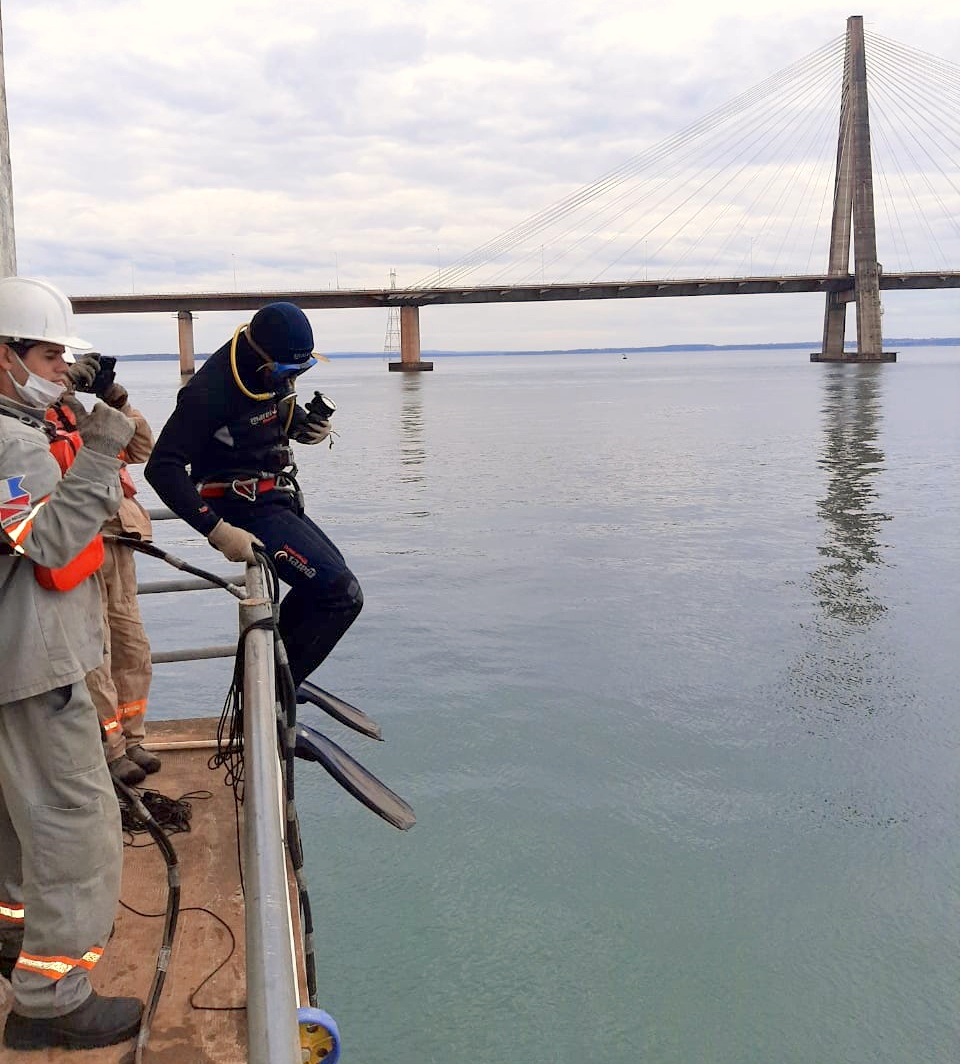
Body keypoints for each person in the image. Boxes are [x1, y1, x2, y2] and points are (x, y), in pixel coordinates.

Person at [0, 275, 143, 1050]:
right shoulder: (13, 441)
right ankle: (51, 999)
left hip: (12, 666)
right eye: (49, 354)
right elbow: (50, 543)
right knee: (74, 832)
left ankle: (12, 945)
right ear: (3, 357)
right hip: (32, 668)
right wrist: (102, 451)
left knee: (14, 829)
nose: (61, 370)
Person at [145, 302, 362, 690]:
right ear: (259, 355)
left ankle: (275, 678)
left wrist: (304, 427)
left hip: (273, 498)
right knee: (340, 594)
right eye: (283, 371)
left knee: (330, 584)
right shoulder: (208, 392)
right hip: (240, 507)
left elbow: (267, 416)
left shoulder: (270, 372)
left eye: (301, 370)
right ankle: (273, 693)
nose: (288, 379)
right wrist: (216, 530)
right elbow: (161, 467)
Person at [54, 352, 159, 786]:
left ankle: (132, 736)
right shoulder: (28, 418)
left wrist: (114, 399)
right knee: (95, 653)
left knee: (132, 646)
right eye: (51, 358)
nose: (60, 365)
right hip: (79, 545)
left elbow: (140, 448)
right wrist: (60, 394)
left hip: (118, 543)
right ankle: (110, 748)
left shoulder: (82, 412)